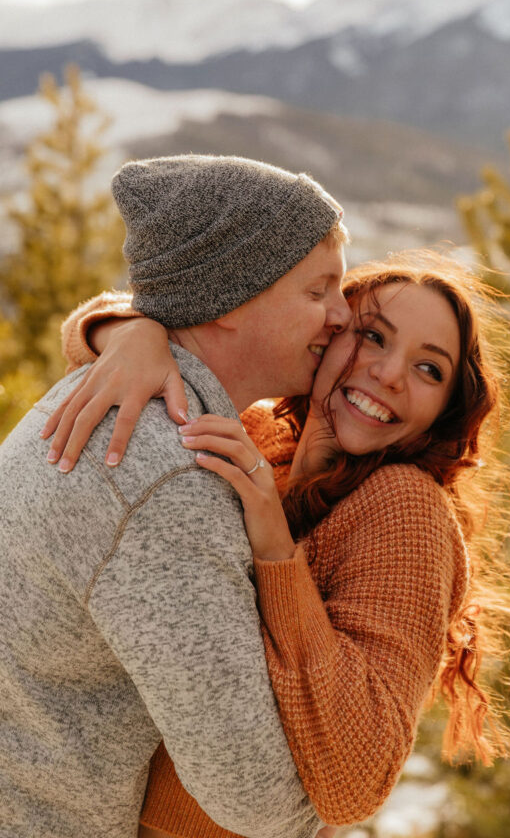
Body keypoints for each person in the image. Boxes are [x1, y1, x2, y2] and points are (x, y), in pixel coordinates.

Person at [51, 249, 510, 838]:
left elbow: (357, 778)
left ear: (442, 411)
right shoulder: (261, 437)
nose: (390, 374)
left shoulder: (404, 507)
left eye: (430, 370)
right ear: (322, 335)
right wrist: (131, 332)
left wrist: (276, 549)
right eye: (373, 336)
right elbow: (93, 343)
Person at [0, 153, 351, 838]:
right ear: (231, 297)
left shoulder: (109, 393)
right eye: (318, 293)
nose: (341, 315)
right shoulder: (166, 474)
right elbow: (256, 798)